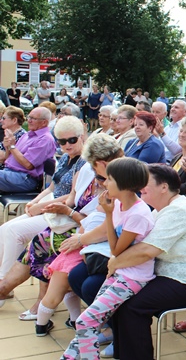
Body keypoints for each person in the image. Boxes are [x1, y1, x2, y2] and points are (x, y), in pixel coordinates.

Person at [91, 164, 186, 360]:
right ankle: (123, 354)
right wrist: (116, 259)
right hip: (170, 273)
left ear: (164, 187)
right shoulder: (162, 208)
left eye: (146, 182)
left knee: (132, 306)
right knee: (118, 299)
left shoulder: (179, 210)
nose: (140, 186)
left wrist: (115, 263)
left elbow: (146, 251)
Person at [58, 158, 154, 358]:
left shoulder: (138, 213)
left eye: (109, 179)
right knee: (90, 319)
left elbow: (116, 249)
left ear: (123, 183)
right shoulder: (119, 204)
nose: (104, 183)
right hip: (119, 272)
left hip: (133, 278)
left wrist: (109, 215)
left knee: (86, 321)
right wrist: (110, 212)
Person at [0, 116, 85, 321]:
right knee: (5, 228)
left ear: (82, 137)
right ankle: (3, 285)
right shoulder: (65, 158)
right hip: (51, 208)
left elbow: (74, 196)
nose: (67, 145)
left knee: (16, 232)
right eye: (62, 142)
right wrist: (35, 201)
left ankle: (4, 286)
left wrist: (41, 205)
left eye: (72, 140)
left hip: (63, 215)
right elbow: (52, 186)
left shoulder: (84, 162)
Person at [0, 107, 56, 193]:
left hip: (25, 178)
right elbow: (7, 159)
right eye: (29, 117)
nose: (29, 120)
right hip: (9, 172)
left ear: (44, 122)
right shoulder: (27, 135)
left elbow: (28, 164)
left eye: (33, 118)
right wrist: (8, 146)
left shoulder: (45, 139)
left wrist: (12, 146)